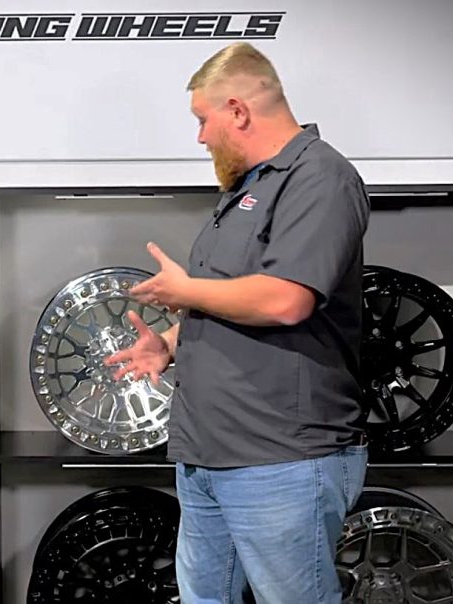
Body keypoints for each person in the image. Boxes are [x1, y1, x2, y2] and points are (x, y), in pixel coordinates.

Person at [106, 42, 371, 603]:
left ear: (238, 111)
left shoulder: (320, 178)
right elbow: (231, 296)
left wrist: (184, 290)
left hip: (281, 458)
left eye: (203, 120)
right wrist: (171, 344)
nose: (201, 137)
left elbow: (286, 300)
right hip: (209, 452)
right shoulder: (248, 188)